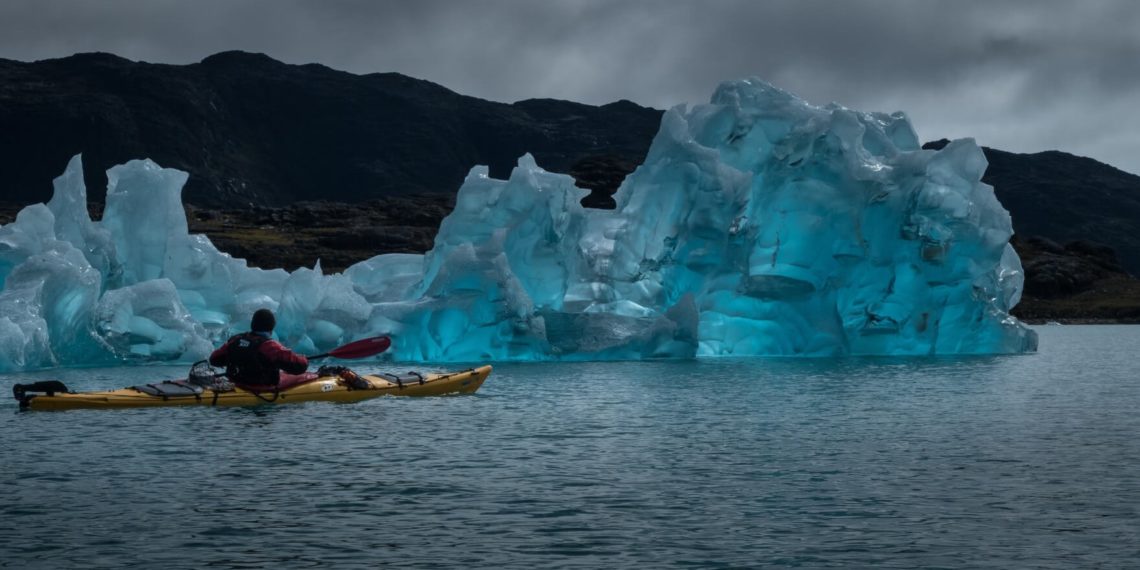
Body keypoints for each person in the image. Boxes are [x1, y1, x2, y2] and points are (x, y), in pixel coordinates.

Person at [209, 309, 309, 388]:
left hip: (236, 383)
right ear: (271, 326)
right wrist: (304, 358)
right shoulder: (269, 346)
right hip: (260, 388)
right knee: (305, 377)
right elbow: (301, 366)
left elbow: (214, 359)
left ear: (253, 324)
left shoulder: (235, 340)